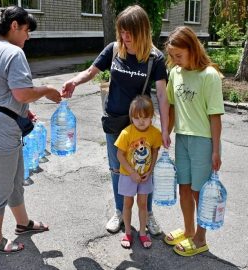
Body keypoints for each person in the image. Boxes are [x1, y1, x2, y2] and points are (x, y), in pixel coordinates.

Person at [62, 5, 170, 235]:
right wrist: (74, 81)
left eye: (129, 32)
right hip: (114, 122)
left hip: (140, 124)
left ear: (142, 31)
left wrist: (165, 130)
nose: (125, 37)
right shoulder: (114, 49)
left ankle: (147, 214)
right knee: (116, 169)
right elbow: (91, 71)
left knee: (144, 168)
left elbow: (162, 95)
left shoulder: (155, 58)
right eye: (122, 31)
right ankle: (120, 211)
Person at [0, 6, 61, 254]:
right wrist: (46, 90)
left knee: (14, 183)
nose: (28, 37)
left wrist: (22, 111)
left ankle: (23, 224)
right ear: (14, 27)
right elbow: (21, 92)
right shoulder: (13, 52)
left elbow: (0, 93)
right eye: (27, 30)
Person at [163, 26, 225, 256]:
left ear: (192, 49)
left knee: (200, 192)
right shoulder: (175, 74)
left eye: (179, 55)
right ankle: (188, 230)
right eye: (172, 56)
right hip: (182, 138)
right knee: (185, 189)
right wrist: (165, 133)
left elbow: (215, 116)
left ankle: (200, 238)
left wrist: (215, 150)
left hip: (203, 141)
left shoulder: (209, 75)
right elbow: (170, 107)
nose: (175, 60)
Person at [115, 95, 161, 249]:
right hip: (128, 175)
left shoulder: (155, 133)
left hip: (145, 177)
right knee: (127, 203)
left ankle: (142, 233)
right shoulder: (126, 133)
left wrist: (150, 171)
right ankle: (128, 232)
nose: (141, 121)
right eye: (137, 117)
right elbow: (119, 155)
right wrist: (132, 172)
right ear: (131, 117)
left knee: (143, 204)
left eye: (145, 117)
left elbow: (154, 152)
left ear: (152, 116)